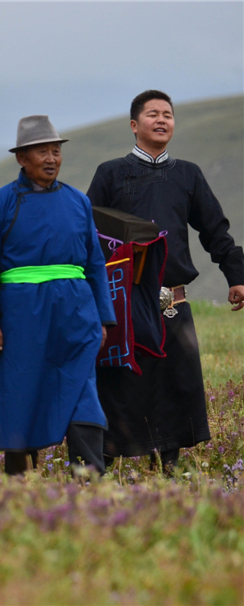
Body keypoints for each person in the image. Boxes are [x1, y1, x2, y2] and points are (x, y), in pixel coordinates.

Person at [87, 90, 244, 473]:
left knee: (176, 385)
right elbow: (88, 235)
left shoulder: (188, 174)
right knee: (120, 383)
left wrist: (237, 275)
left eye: (168, 115)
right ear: (134, 125)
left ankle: (169, 470)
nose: (162, 120)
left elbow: (215, 230)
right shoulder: (111, 173)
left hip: (173, 302)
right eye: (153, 114)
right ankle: (101, 468)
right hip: (124, 303)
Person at [0, 115, 115, 475]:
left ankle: (90, 477)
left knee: (82, 390)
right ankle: (20, 480)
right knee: (21, 392)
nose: (51, 159)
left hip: (76, 312)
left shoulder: (79, 202)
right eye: (42, 152)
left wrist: (103, 319)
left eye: (56, 151)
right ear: (22, 158)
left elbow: (95, 263)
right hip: (21, 316)